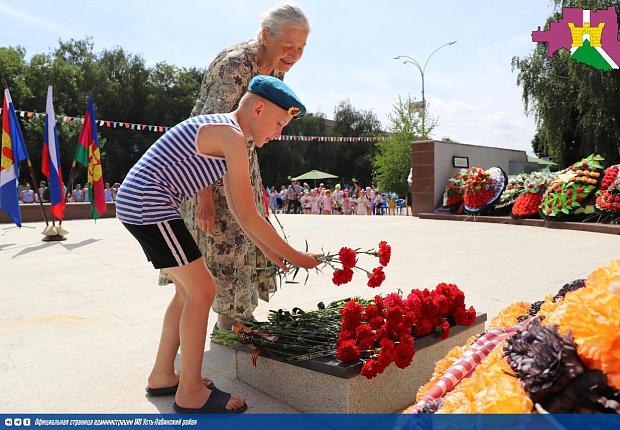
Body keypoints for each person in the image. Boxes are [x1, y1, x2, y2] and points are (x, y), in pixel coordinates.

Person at [115, 76, 320, 414]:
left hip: (143, 203)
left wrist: (272, 254)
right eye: (280, 123)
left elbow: (242, 213)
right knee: (203, 290)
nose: (279, 133)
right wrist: (297, 256)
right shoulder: (232, 136)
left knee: (186, 292)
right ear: (257, 108)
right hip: (148, 203)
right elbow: (252, 216)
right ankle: (190, 391)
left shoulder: (230, 135)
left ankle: (164, 374)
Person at [157, 3, 310, 332]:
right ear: (267, 35)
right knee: (226, 239)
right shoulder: (236, 65)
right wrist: (205, 199)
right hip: (204, 164)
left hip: (239, 154)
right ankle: (227, 322)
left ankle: (235, 318)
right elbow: (204, 132)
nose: (294, 55)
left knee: (247, 236)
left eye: (301, 48)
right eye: (288, 46)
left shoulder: (275, 72)